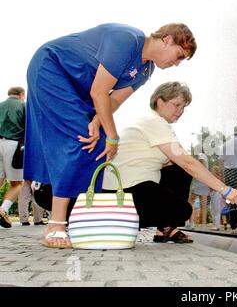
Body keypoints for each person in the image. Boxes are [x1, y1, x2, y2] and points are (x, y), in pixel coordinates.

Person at [24, 23, 196, 248]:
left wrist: (97, 121)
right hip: (53, 68)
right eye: (179, 55)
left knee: (96, 140)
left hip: (83, 90)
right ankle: (55, 224)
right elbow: (99, 91)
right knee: (81, 139)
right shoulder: (126, 39)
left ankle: (81, 217)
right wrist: (112, 136)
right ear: (167, 39)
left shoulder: (146, 71)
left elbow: (113, 100)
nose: (177, 63)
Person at [102, 82, 237, 243]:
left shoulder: (157, 124)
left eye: (183, 107)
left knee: (178, 171)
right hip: (122, 193)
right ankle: (121, 221)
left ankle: (165, 229)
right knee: (182, 210)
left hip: (133, 188)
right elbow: (187, 162)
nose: (180, 111)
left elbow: (177, 162)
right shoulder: (153, 122)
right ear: (160, 102)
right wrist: (226, 190)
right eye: (176, 105)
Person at [0, 87, 25, 228]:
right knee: (17, 183)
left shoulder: (1, 105)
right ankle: (3, 209)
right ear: (22, 95)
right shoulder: (23, 105)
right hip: (13, 144)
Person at [187, 152, 210, 228]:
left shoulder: (200, 155)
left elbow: (201, 166)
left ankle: (191, 223)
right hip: (205, 180)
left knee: (190, 201)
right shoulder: (205, 155)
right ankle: (203, 225)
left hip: (200, 181)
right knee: (203, 204)